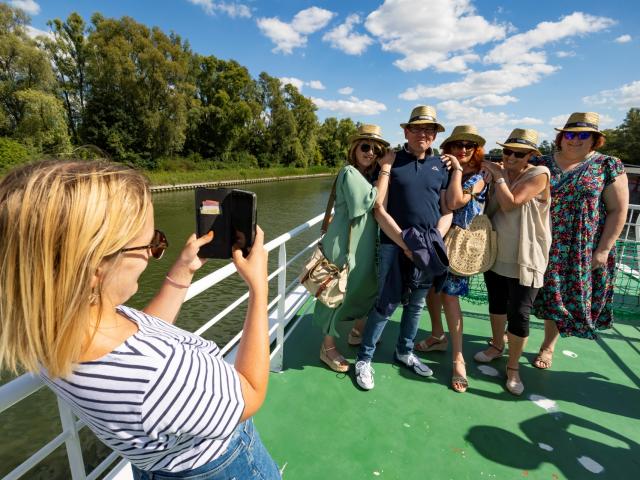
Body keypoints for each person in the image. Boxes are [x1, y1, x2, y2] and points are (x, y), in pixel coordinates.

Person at [0, 160, 281, 479]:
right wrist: (259, 288)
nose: (152, 253)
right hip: (220, 467)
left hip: (154, 467)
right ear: (95, 268)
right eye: (150, 244)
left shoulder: (49, 332)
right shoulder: (159, 374)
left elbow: (136, 338)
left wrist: (182, 272)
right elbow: (252, 392)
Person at [354, 105, 453, 391]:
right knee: (386, 302)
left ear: (434, 136)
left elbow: (447, 209)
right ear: (406, 131)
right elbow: (378, 208)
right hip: (393, 244)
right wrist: (406, 243)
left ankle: (404, 351)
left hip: (427, 247)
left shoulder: (440, 167)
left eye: (429, 129)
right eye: (418, 128)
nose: (423, 133)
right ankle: (365, 358)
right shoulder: (391, 162)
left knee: (417, 304)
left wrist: (432, 240)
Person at [531, 112, 629, 369]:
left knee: (558, 296)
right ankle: (513, 333)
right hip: (537, 239)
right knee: (525, 291)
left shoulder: (608, 165)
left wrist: (604, 249)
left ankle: (547, 346)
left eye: (583, 135)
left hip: (579, 246)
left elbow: (618, 210)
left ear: (595, 140)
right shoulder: (539, 161)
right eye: (570, 134)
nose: (575, 140)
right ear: (561, 137)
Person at [474, 129, 551, 396]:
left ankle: (513, 367)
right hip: (497, 252)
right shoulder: (499, 172)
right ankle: (496, 345)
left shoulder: (539, 174)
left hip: (526, 257)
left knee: (519, 313)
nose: (511, 157)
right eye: (507, 151)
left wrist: (498, 177)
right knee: (496, 303)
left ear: (531, 155)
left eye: (519, 153)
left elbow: (511, 203)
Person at [313, 124, 393, 372]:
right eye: (365, 147)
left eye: (377, 149)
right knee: (334, 294)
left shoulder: (369, 176)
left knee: (363, 288)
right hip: (343, 245)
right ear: (354, 149)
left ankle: (357, 332)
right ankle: (327, 348)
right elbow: (371, 202)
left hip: (362, 245)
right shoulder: (349, 172)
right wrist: (387, 169)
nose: (371, 153)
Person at [415, 125, 488, 393]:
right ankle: (437, 336)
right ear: (449, 148)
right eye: (458, 145)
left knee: (450, 298)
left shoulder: (480, 177)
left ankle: (459, 360)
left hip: (458, 246)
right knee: (432, 292)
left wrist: (456, 169)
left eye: (469, 146)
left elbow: (456, 201)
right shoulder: (442, 170)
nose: (464, 150)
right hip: (436, 240)